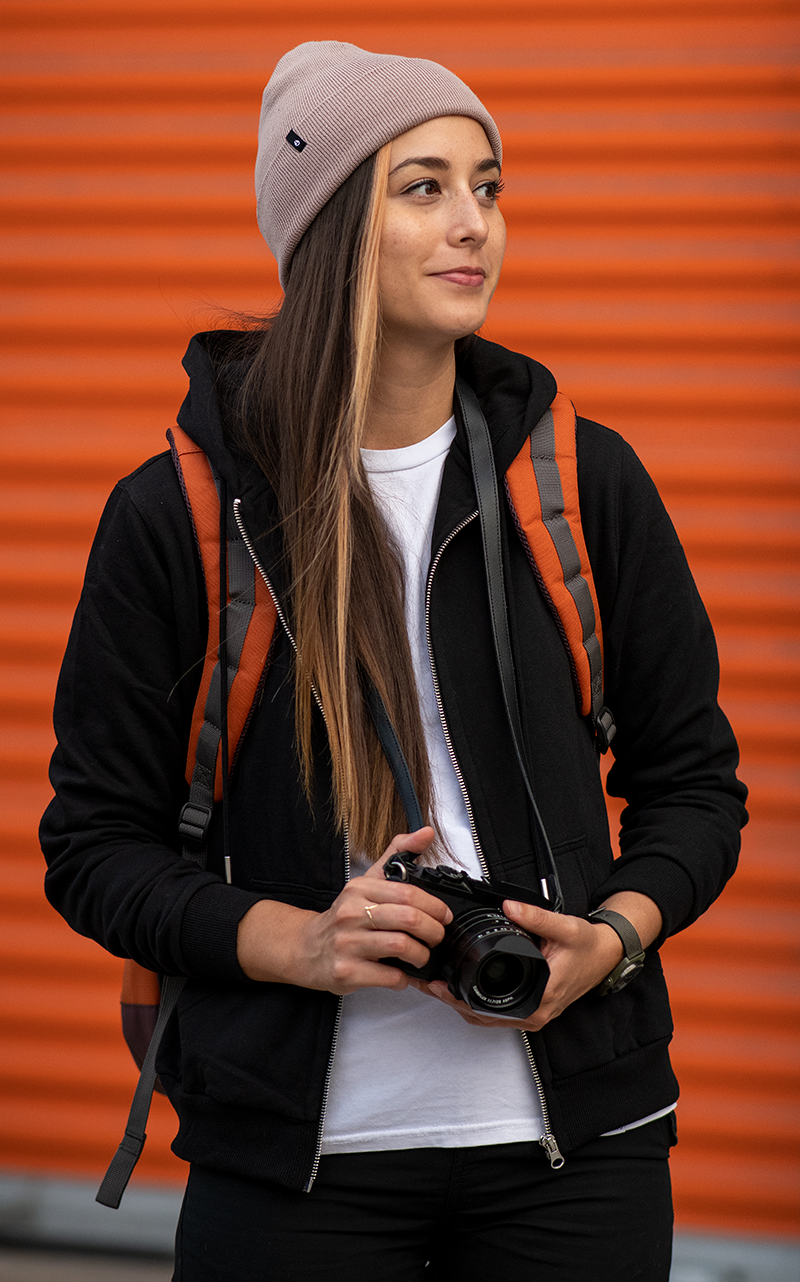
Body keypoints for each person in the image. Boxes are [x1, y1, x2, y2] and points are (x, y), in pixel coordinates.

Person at [41, 41, 747, 1282]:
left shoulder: (580, 483)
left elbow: (694, 787)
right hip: (296, 1166)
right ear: (323, 231)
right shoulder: (180, 516)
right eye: (422, 188)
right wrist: (297, 941)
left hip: (578, 1154)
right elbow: (93, 846)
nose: (473, 223)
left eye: (488, 186)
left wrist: (613, 936)